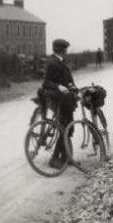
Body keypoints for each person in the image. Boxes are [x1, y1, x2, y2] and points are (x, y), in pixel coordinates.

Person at [42, 38, 77, 169]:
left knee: (69, 128)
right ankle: (55, 159)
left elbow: (67, 80)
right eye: (65, 49)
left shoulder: (61, 61)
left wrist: (73, 88)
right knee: (64, 128)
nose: (67, 51)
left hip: (65, 99)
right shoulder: (51, 62)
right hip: (56, 99)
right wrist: (58, 86)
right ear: (61, 50)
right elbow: (46, 83)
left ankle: (65, 157)